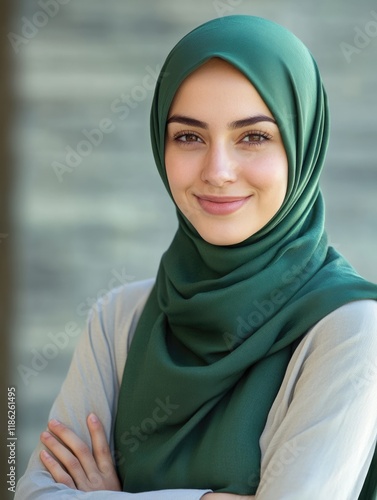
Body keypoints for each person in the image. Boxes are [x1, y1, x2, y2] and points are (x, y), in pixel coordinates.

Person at [15, 15, 377, 500]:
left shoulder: (351, 330)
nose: (218, 170)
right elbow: (36, 494)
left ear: (304, 147)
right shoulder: (119, 320)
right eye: (189, 136)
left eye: (254, 137)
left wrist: (111, 496)